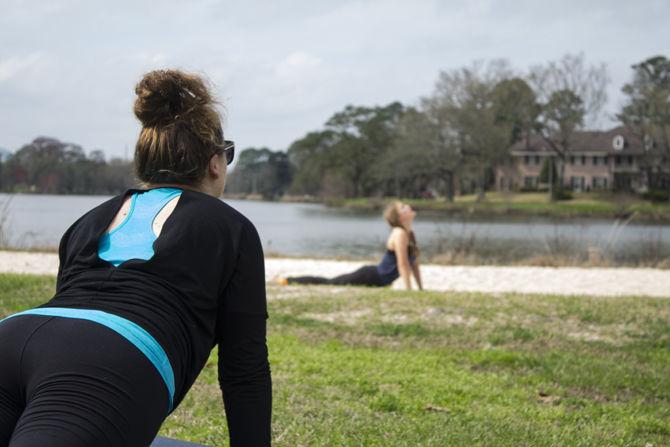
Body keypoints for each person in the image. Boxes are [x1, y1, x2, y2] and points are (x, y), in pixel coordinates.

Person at [0, 70, 271, 447]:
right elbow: (245, 368)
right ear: (215, 162)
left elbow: (75, 306)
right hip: (106, 360)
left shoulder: (89, 219)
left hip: (14, 331)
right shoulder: (231, 226)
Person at [282, 201, 423, 290]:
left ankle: (288, 280)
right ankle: (288, 280)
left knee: (331, 282)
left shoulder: (409, 234)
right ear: (399, 218)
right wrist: (409, 291)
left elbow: (414, 264)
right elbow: (403, 264)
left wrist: (421, 289)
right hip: (370, 276)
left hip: (378, 280)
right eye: (403, 207)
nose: (408, 206)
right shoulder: (399, 233)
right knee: (330, 283)